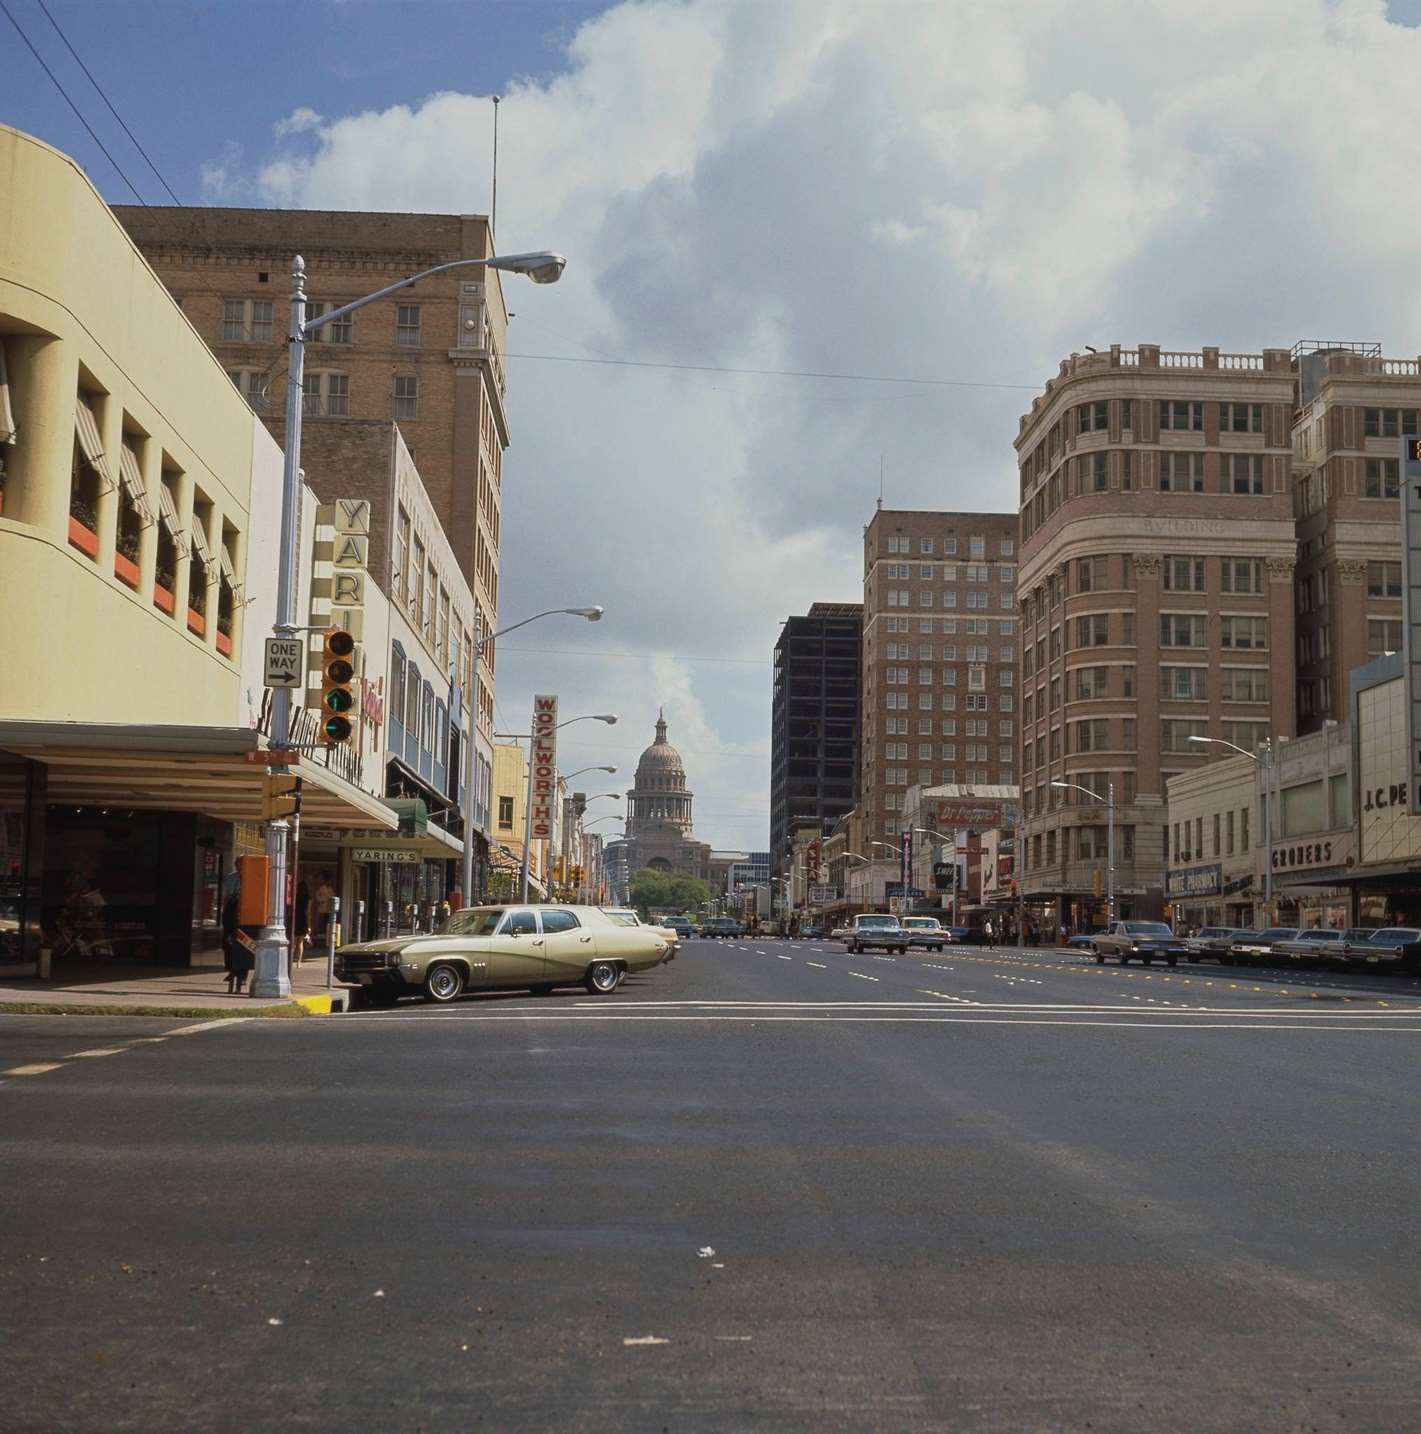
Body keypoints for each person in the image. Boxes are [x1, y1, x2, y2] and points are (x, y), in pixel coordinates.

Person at [292, 879, 310, 967]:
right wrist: (309, 925)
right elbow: (308, 912)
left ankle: (291, 959)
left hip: (295, 919)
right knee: (300, 942)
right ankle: (299, 962)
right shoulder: (308, 898)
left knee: (294, 941)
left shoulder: (295, 897)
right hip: (304, 920)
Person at [315, 873, 335, 942]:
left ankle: (326, 933)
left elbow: (333, 896)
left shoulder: (331, 888)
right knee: (321, 920)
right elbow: (317, 895)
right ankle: (320, 932)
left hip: (329, 907)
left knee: (327, 921)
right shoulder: (322, 887)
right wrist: (320, 900)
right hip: (322, 906)